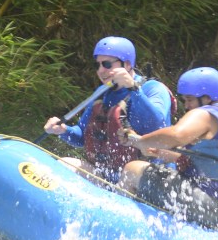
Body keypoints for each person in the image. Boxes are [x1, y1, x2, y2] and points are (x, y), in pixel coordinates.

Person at [123, 67, 218, 230]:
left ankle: (123, 223)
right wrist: (159, 152)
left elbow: (176, 135)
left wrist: (141, 141)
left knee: (133, 169)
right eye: (184, 100)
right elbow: (207, 162)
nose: (187, 105)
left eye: (190, 100)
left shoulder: (206, 114)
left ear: (206, 98)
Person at [42, 36, 173, 182]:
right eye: (98, 65)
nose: (101, 70)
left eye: (107, 64)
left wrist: (133, 88)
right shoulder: (102, 92)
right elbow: (82, 138)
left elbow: (157, 125)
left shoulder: (153, 88)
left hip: (142, 177)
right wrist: (63, 130)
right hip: (107, 177)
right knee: (65, 164)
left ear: (127, 64)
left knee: (130, 173)